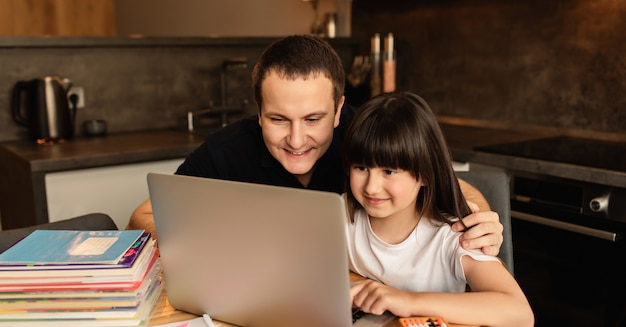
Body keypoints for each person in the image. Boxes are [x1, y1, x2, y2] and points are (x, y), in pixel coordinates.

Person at [127, 35, 503, 256]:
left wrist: (480, 222)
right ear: (259, 113)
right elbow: (141, 219)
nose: (295, 140)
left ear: (338, 110)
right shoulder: (228, 149)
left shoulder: (366, 133)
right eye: (278, 120)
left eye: (312, 119)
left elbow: (451, 187)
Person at [344, 92, 534, 327]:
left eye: (389, 171)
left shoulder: (452, 236)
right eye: (361, 167)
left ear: (424, 173)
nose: (371, 186)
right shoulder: (340, 215)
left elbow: (520, 315)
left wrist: (409, 301)